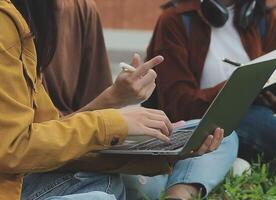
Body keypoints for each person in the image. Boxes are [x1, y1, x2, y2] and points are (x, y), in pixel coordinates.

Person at [0, 0, 224, 200]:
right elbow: (13, 148)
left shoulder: (39, 17)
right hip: (26, 175)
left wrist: (114, 99)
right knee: (104, 191)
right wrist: (113, 122)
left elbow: (45, 132)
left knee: (215, 132)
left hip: (43, 166)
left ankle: (178, 192)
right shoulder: (8, 21)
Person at [144, 0, 276, 174]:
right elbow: (178, 104)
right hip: (209, 126)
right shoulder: (175, 21)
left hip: (263, 121)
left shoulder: (261, 18)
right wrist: (238, 88)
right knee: (260, 122)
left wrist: (274, 97)